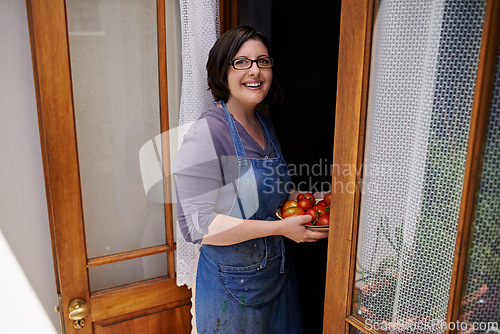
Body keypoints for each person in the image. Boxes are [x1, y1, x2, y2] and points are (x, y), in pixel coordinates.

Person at [173, 26, 328, 334]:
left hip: (277, 279)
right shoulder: (207, 133)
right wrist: (281, 228)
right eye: (241, 62)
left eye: (263, 61)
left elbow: (270, 191)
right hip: (229, 289)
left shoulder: (266, 126)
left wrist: (315, 198)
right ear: (222, 71)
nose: (255, 70)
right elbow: (197, 226)